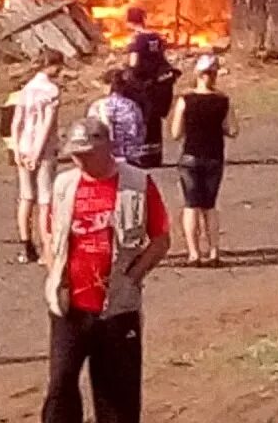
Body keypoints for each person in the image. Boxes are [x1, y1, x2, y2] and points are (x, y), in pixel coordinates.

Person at [41, 118, 171, 423]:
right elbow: (48, 229)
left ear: (107, 147)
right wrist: (53, 269)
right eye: (75, 154)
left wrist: (133, 277)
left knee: (117, 396)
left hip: (117, 308)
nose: (80, 160)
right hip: (70, 306)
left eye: (87, 153)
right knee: (60, 386)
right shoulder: (64, 185)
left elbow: (161, 238)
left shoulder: (137, 183)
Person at [169, 54, 238, 266]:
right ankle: (214, 252)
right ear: (215, 75)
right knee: (209, 206)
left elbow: (175, 133)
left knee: (191, 205)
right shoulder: (222, 101)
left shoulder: (185, 101)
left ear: (196, 74)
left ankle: (193, 253)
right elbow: (232, 130)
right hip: (213, 157)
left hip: (190, 157)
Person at [10, 48, 63, 264]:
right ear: (51, 66)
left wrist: (16, 149)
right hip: (43, 149)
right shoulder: (51, 91)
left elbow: (16, 122)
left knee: (25, 197)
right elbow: (46, 125)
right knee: (45, 200)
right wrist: (37, 152)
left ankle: (26, 246)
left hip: (23, 146)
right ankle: (47, 249)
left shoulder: (26, 89)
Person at [122, 7, 179, 168]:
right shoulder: (155, 37)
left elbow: (134, 63)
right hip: (158, 85)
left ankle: (142, 156)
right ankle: (155, 155)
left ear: (129, 21)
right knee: (154, 120)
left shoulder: (136, 40)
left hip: (142, 86)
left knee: (140, 118)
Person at [87, 68, 146, 164]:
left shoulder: (97, 106)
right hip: (130, 157)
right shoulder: (133, 106)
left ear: (107, 86)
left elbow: (91, 132)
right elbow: (141, 131)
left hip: (105, 157)